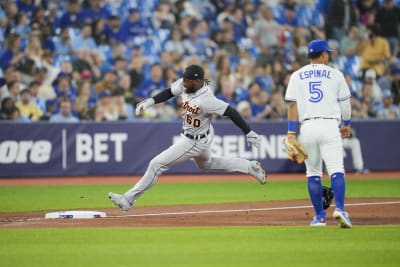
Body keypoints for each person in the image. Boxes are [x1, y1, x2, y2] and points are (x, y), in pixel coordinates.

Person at [109, 64, 267, 211]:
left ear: (198, 81)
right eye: (184, 80)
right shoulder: (186, 85)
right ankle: (248, 166)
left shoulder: (207, 100)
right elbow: (169, 92)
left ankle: (128, 199)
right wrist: (150, 101)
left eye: (188, 81)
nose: (184, 83)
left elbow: (231, 112)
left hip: (193, 141)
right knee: (207, 163)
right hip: (202, 135)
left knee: (156, 164)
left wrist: (249, 132)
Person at [284, 40, 353, 228]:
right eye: (327, 53)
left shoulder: (297, 76)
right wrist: (346, 124)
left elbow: (291, 105)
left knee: (313, 173)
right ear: (323, 55)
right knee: (336, 170)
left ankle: (319, 217)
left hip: (308, 128)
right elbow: (345, 103)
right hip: (330, 125)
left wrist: (291, 132)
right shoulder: (336, 74)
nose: (328, 56)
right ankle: (340, 209)